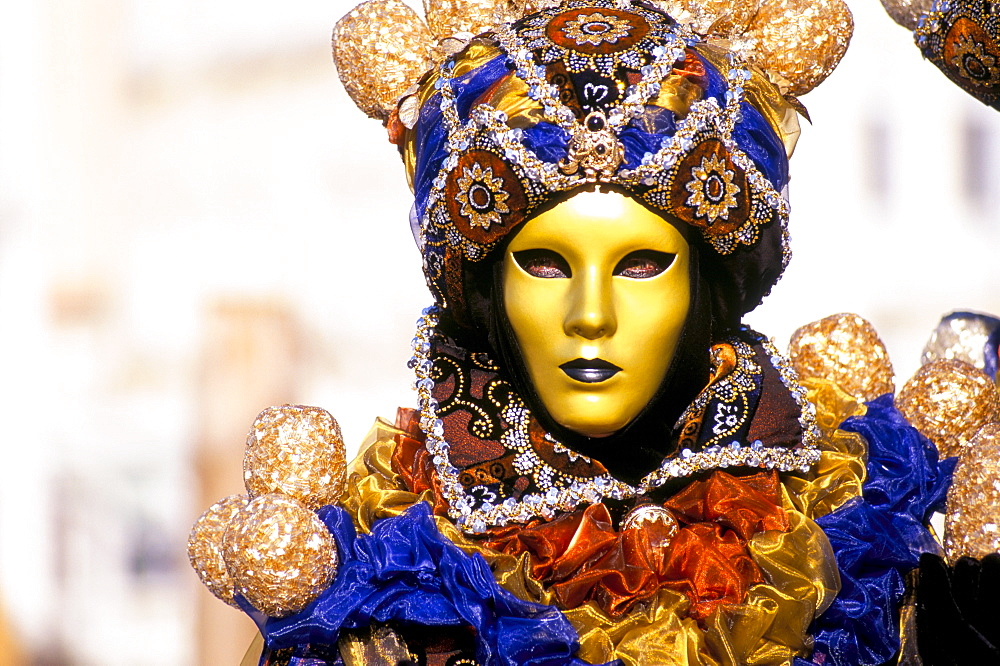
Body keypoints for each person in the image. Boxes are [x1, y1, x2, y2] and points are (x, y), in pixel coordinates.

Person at [204, 1, 955, 663]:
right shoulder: (386, 572)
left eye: (640, 266)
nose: (589, 315)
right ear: (489, 290)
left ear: (706, 286)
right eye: (544, 265)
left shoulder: (859, 521)